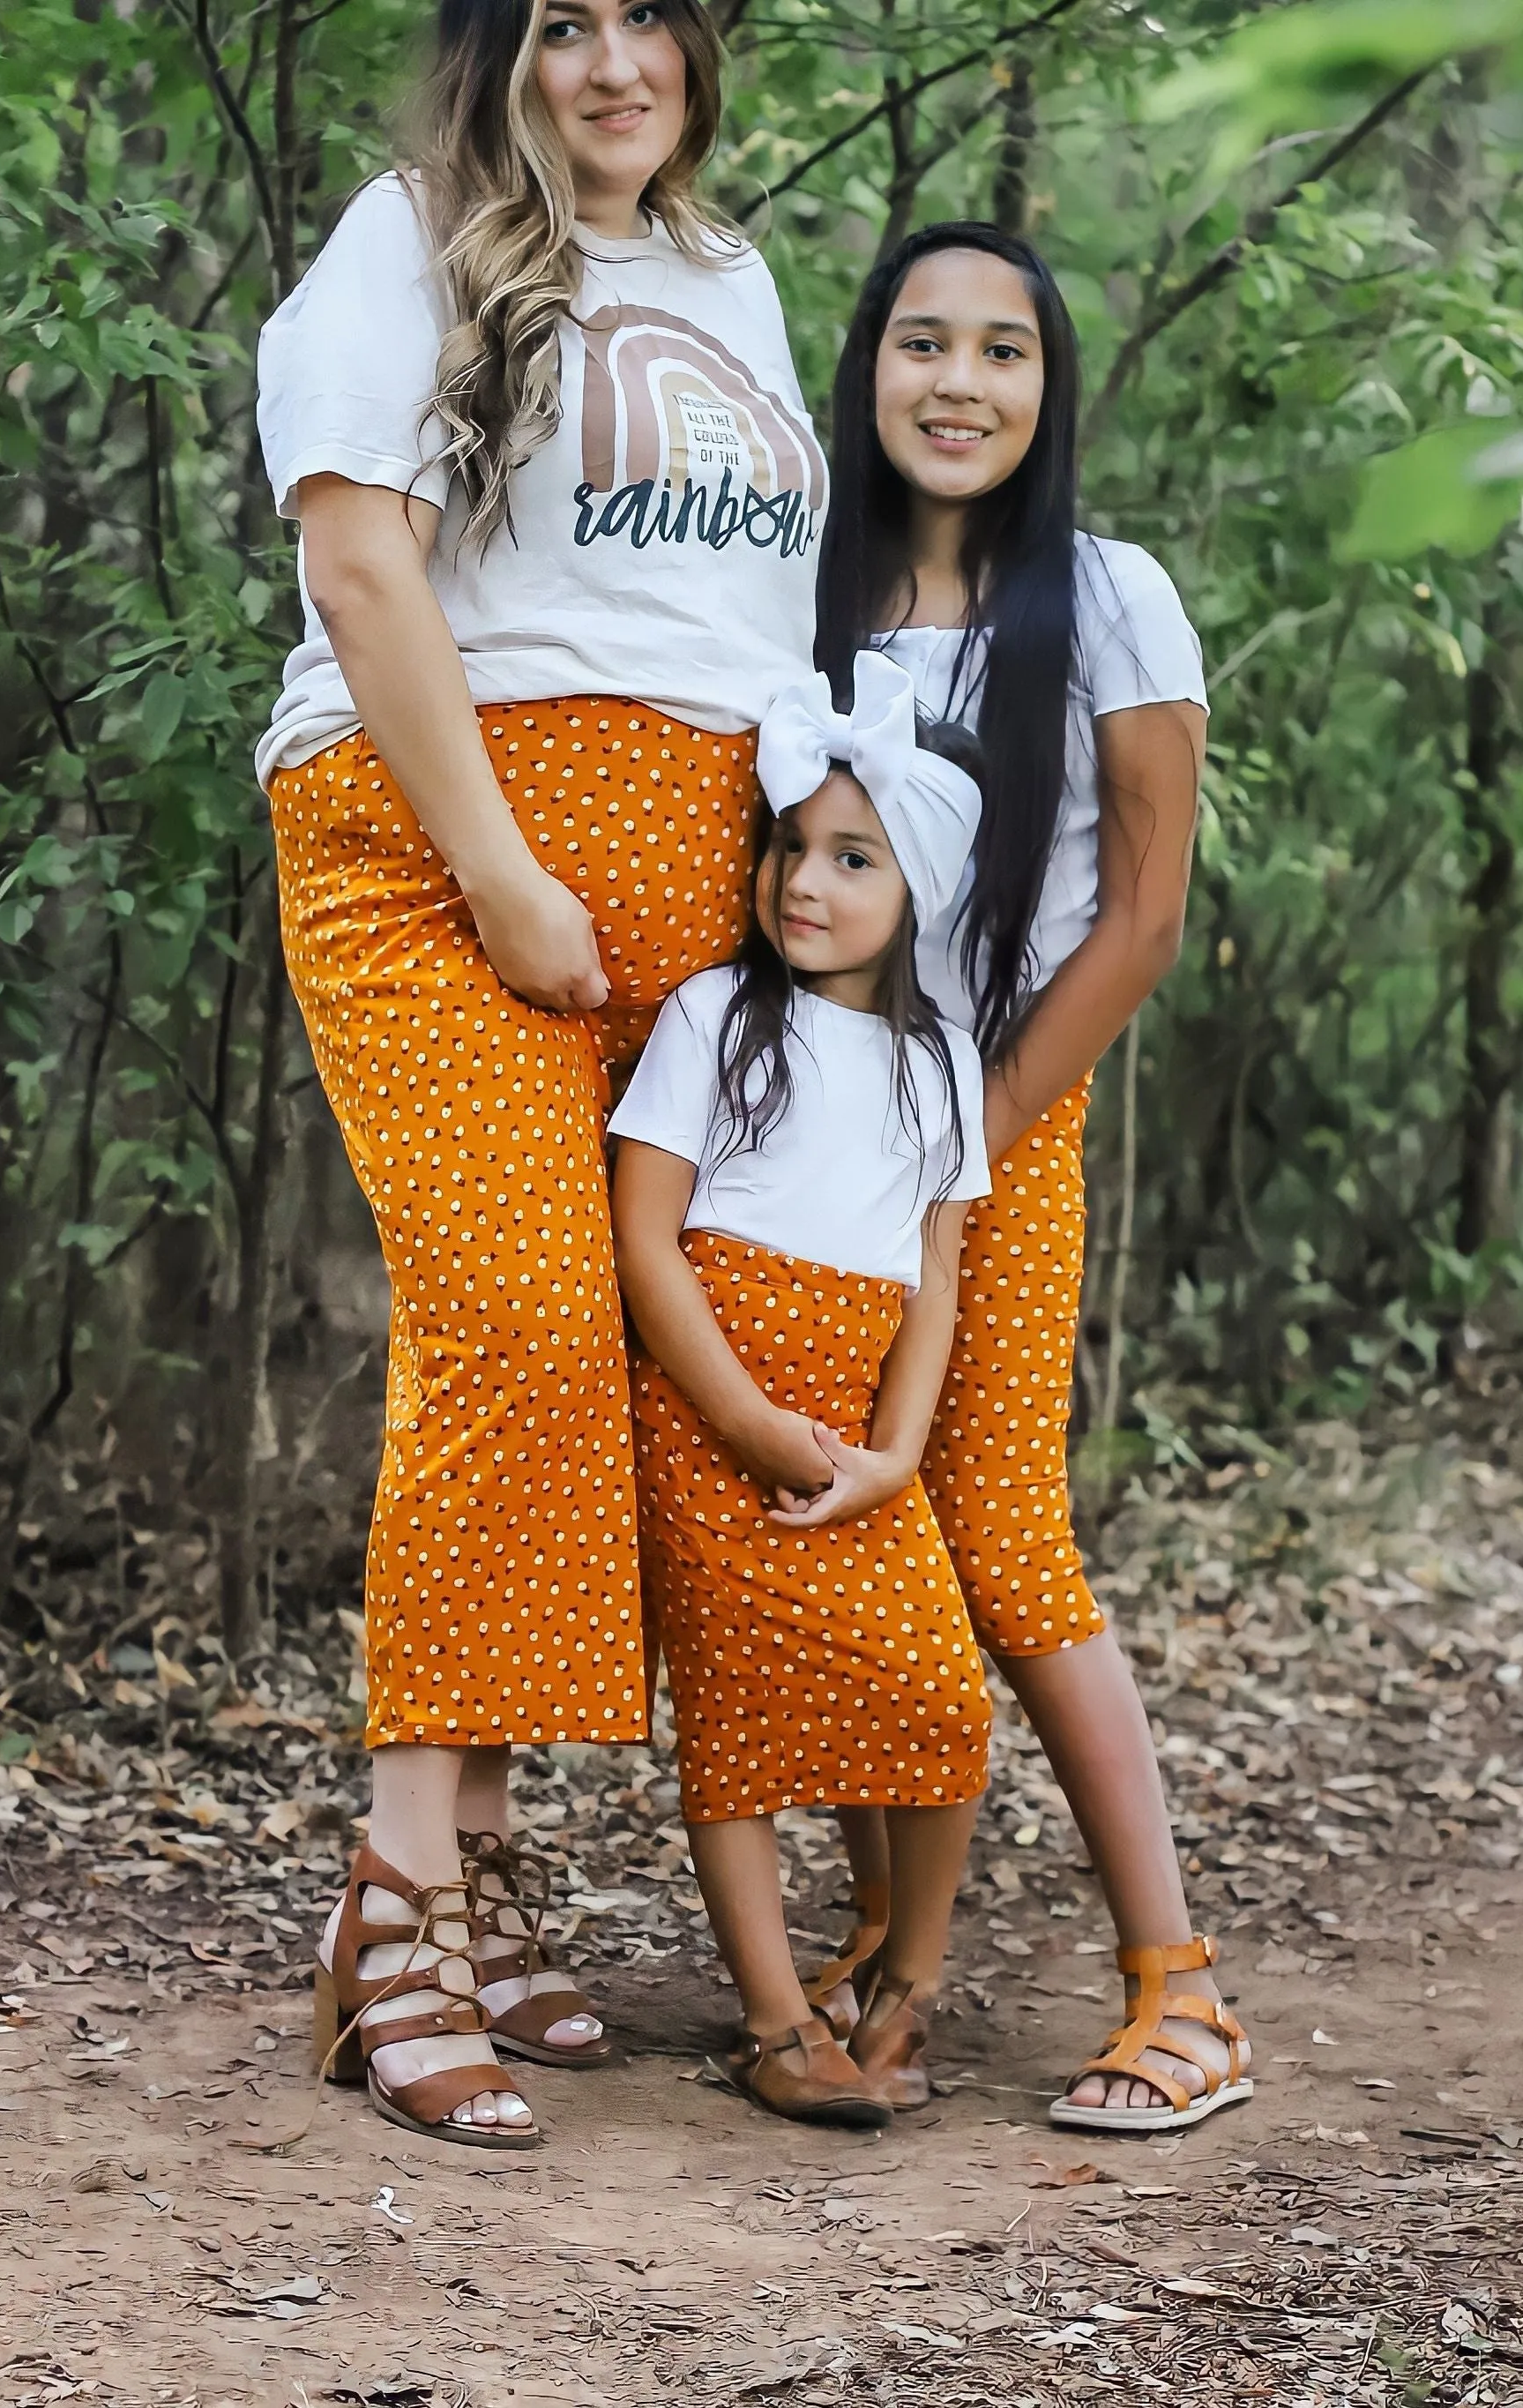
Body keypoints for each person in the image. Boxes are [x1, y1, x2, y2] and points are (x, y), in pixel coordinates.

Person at [258, 0, 826, 2150]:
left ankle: (485, 1857)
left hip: (701, 867)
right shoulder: (403, 239)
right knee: (508, 1316)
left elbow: (746, 621)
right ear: (502, 53)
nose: (611, 63)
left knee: (615, 1346)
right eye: (562, 22)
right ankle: (396, 1897)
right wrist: (501, 864)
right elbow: (358, 555)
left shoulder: (735, 279)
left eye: (647, 19)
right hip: (438, 841)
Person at [810, 222, 1252, 2134]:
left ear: (1049, 390)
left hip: (996, 1124)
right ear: (871, 369)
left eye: (1004, 352)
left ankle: (1181, 1990)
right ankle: (890, 1948)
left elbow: (1144, 916)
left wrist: (973, 1137)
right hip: (814, 1128)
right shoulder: (802, 592)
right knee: (840, 1511)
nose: (960, 384)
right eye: (924, 344)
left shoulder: (1112, 594)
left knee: (997, 1533)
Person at [611, 654, 993, 2128]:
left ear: (919, 891)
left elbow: (936, 1278)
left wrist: (896, 1454)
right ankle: (774, 2018)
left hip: (860, 1425)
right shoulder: (715, 1014)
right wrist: (745, 1417)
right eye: (789, 847)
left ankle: (903, 1982)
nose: (805, 882)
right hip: (719, 1407)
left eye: (852, 858)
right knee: (741, 1717)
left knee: (937, 1694)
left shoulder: (941, 1066)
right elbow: (647, 1233)